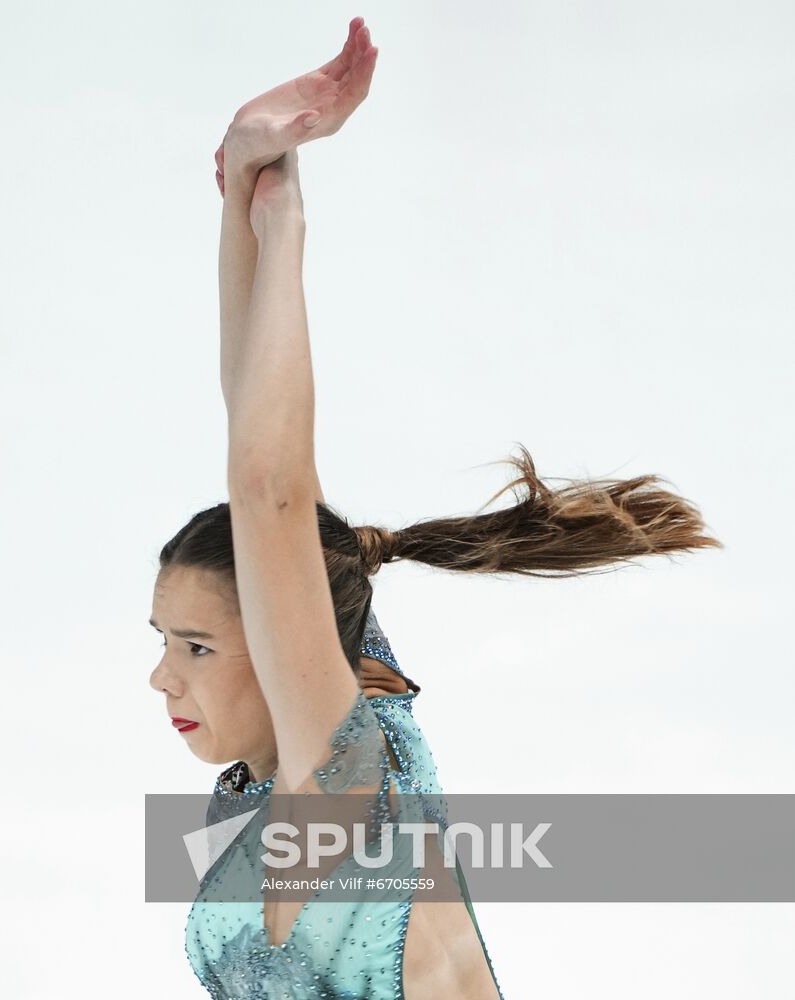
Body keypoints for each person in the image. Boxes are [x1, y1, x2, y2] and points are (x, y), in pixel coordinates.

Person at [147, 17, 721, 999]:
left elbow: (270, 489)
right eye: (166, 638)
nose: (161, 677)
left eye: (196, 646)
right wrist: (251, 179)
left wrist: (281, 228)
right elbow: (262, 443)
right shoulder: (309, 752)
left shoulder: (332, 801)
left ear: (288, 645)